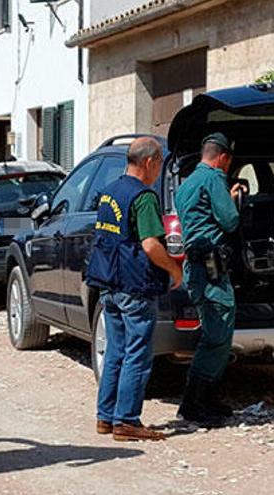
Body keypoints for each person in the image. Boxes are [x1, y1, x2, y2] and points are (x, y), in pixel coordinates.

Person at [86, 137, 183, 442]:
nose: (157, 172)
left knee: (115, 350)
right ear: (150, 162)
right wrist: (173, 268)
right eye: (158, 166)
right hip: (135, 286)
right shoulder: (143, 197)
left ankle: (106, 417)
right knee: (138, 354)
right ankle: (127, 420)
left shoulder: (109, 191)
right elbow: (151, 244)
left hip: (108, 283)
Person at [174, 133, 246, 426]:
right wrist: (231, 198)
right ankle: (193, 403)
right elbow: (229, 220)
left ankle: (207, 399)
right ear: (223, 157)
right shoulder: (215, 179)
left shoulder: (187, 183)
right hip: (211, 268)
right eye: (228, 163)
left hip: (196, 267)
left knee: (213, 332)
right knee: (216, 336)